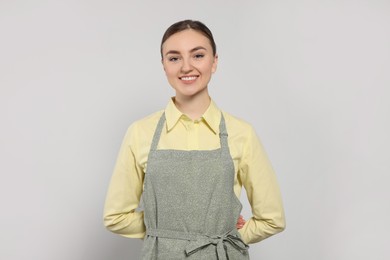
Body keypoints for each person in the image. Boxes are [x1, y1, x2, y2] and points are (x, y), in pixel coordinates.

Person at [104, 19, 285, 259]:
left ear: (215, 62)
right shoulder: (140, 132)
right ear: (163, 65)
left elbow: (272, 219)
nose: (186, 67)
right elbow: (115, 217)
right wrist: (164, 231)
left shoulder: (241, 133)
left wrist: (227, 235)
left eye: (198, 55)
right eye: (174, 57)